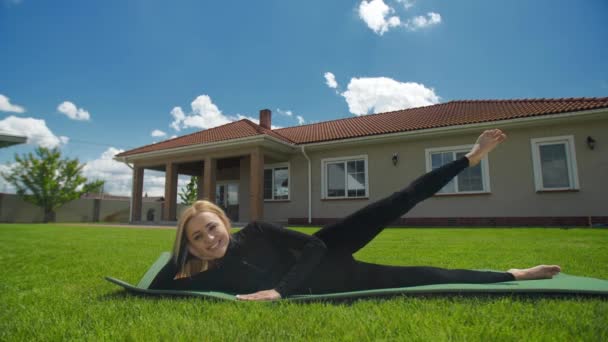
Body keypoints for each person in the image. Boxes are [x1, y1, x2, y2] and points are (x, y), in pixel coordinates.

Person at [149, 129, 561, 301]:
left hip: (329, 246)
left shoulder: (255, 229)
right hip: (339, 281)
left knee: (397, 201)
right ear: (190, 246)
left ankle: (469, 158)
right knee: (425, 276)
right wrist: (182, 249)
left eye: (210, 228)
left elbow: (311, 248)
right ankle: (515, 274)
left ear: (224, 221)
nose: (209, 240)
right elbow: (159, 286)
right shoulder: (212, 276)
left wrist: (279, 292)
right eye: (198, 238)